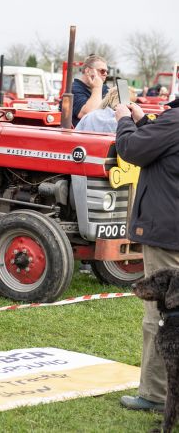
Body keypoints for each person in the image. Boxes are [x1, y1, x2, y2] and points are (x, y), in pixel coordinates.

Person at [114, 95, 179, 414]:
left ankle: (155, 393)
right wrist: (142, 122)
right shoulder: (170, 125)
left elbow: (132, 150)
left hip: (167, 234)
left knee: (161, 317)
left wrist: (124, 120)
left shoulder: (173, 121)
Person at [66, 54, 109, 128]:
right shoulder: (73, 89)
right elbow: (89, 114)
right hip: (81, 136)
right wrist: (97, 88)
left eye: (106, 72)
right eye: (102, 71)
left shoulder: (104, 88)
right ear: (88, 71)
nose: (105, 74)